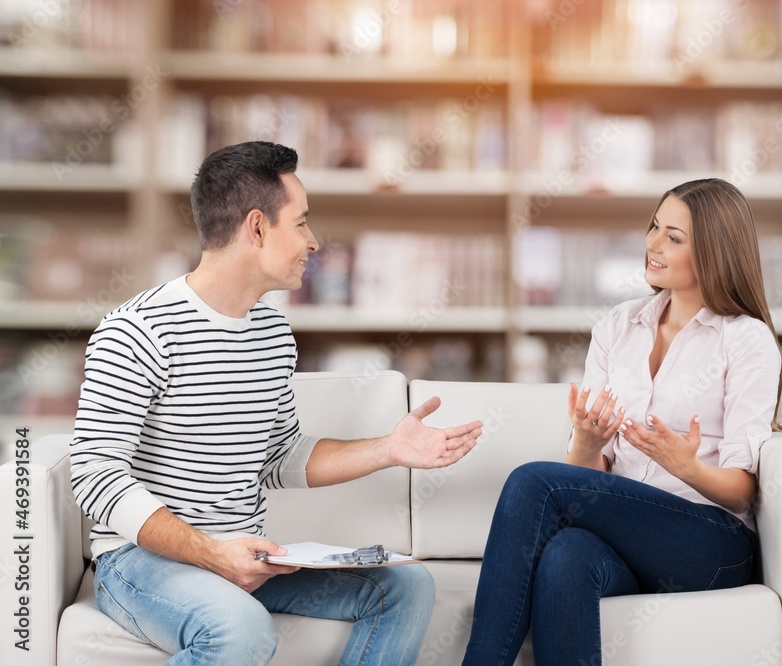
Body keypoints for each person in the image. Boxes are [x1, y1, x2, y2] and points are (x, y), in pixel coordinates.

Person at [70, 141, 483, 666]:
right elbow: (93, 471)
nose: (313, 242)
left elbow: (277, 455)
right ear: (258, 227)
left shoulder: (271, 330)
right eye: (302, 223)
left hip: (241, 554)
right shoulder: (138, 330)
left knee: (405, 587)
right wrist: (212, 553)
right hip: (142, 560)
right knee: (241, 630)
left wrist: (389, 449)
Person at [461, 178, 782, 665]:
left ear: (715, 253)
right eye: (654, 227)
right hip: (628, 537)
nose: (652, 244)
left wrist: (687, 467)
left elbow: (743, 491)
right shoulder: (618, 327)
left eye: (674, 237)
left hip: (710, 542)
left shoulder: (746, 340)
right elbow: (589, 483)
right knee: (567, 557)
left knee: (533, 481)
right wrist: (587, 441)